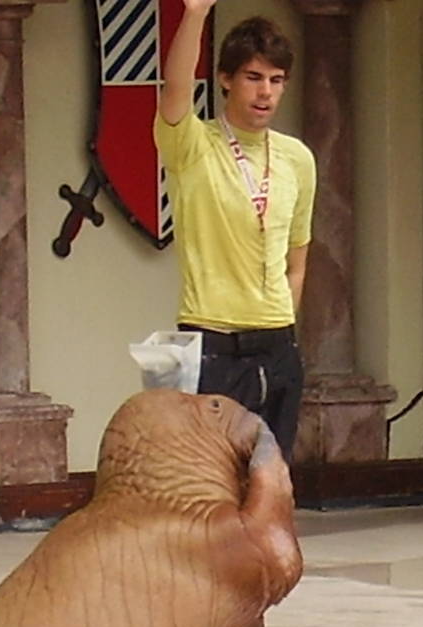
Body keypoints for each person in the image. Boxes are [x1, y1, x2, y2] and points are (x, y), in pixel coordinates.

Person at [156, 0, 316, 459]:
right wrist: (195, 15)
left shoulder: (297, 159)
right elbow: (175, 92)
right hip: (213, 346)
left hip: (278, 344)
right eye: (253, 77)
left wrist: (284, 331)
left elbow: (297, 261)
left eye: (276, 80)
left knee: (272, 487)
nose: (265, 92)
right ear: (226, 78)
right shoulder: (194, 145)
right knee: (214, 487)